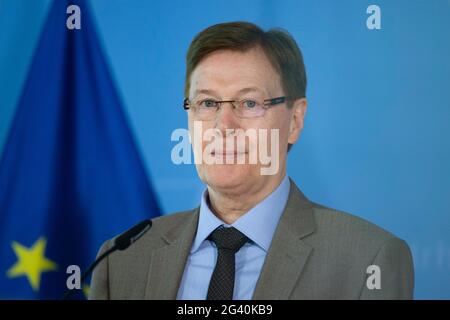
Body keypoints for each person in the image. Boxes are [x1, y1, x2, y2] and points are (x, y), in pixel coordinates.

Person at [90, 21, 414, 300]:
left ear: (296, 120)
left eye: (249, 102)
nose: (224, 125)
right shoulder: (121, 261)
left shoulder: (367, 260)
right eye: (207, 103)